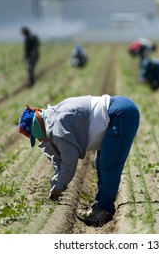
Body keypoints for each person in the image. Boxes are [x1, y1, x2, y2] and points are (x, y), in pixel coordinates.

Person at [18, 95, 140, 227]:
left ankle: (104, 209)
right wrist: (55, 183)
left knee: (108, 164)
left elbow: (69, 162)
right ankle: (100, 206)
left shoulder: (58, 127)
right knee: (100, 161)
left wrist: (59, 187)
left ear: (36, 129)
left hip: (121, 114)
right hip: (119, 108)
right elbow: (58, 158)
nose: (39, 140)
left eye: (35, 137)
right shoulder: (52, 118)